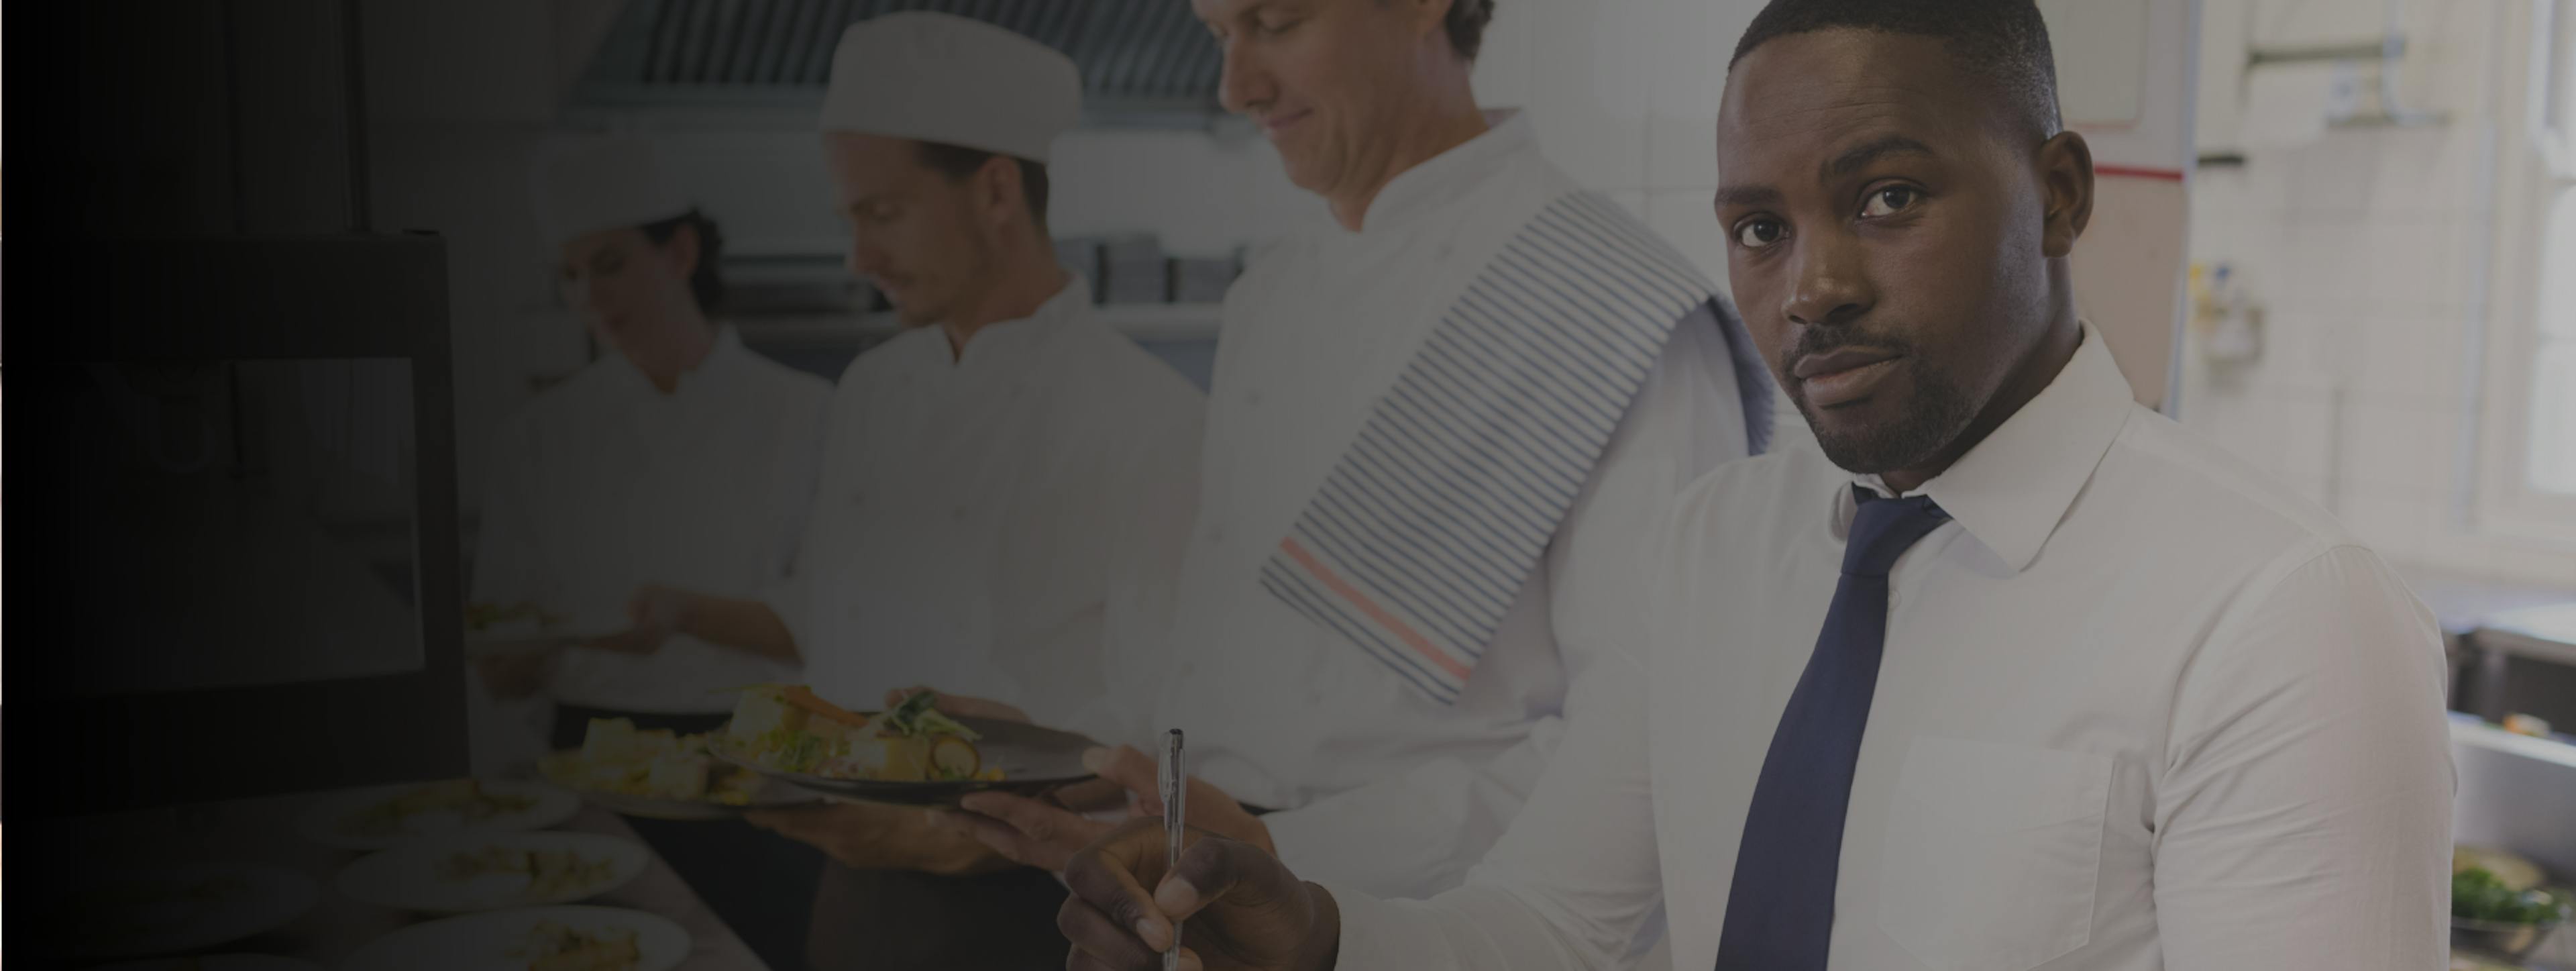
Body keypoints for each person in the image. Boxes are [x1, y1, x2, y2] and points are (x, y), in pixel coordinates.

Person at [1055, 1, 2456, 969]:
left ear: (2062, 195)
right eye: (1758, 228)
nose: (1815, 287)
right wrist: (1315, 932)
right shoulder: (1716, 550)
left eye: (1889, 197)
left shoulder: (2280, 619)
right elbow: (1553, 928)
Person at [949, 0, 1772, 958]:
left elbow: (1642, 735)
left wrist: (1275, 847)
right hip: (1205, 904)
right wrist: (1073, 759)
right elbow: (1236, 660)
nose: (1236, 85)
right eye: (1221, 35)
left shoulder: (1610, 302)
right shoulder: (1271, 289)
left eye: (1276, 21)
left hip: (1437, 927)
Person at [623, 13, 1207, 968]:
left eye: (882, 213)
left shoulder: (1152, 418)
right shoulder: (871, 389)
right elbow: (838, 627)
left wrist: (959, 829)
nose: (857, 255)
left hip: (1036, 903)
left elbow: (1164, 728)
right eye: (850, 215)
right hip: (850, 887)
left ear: (994, 191)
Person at [468, 135, 834, 968]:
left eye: (608, 265)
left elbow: (831, 624)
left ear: (680, 251)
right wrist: (526, 648)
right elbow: (498, 658)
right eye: (569, 275)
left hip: (760, 781)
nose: (587, 297)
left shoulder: (806, 415)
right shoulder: (535, 438)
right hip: (587, 778)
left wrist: (683, 614)